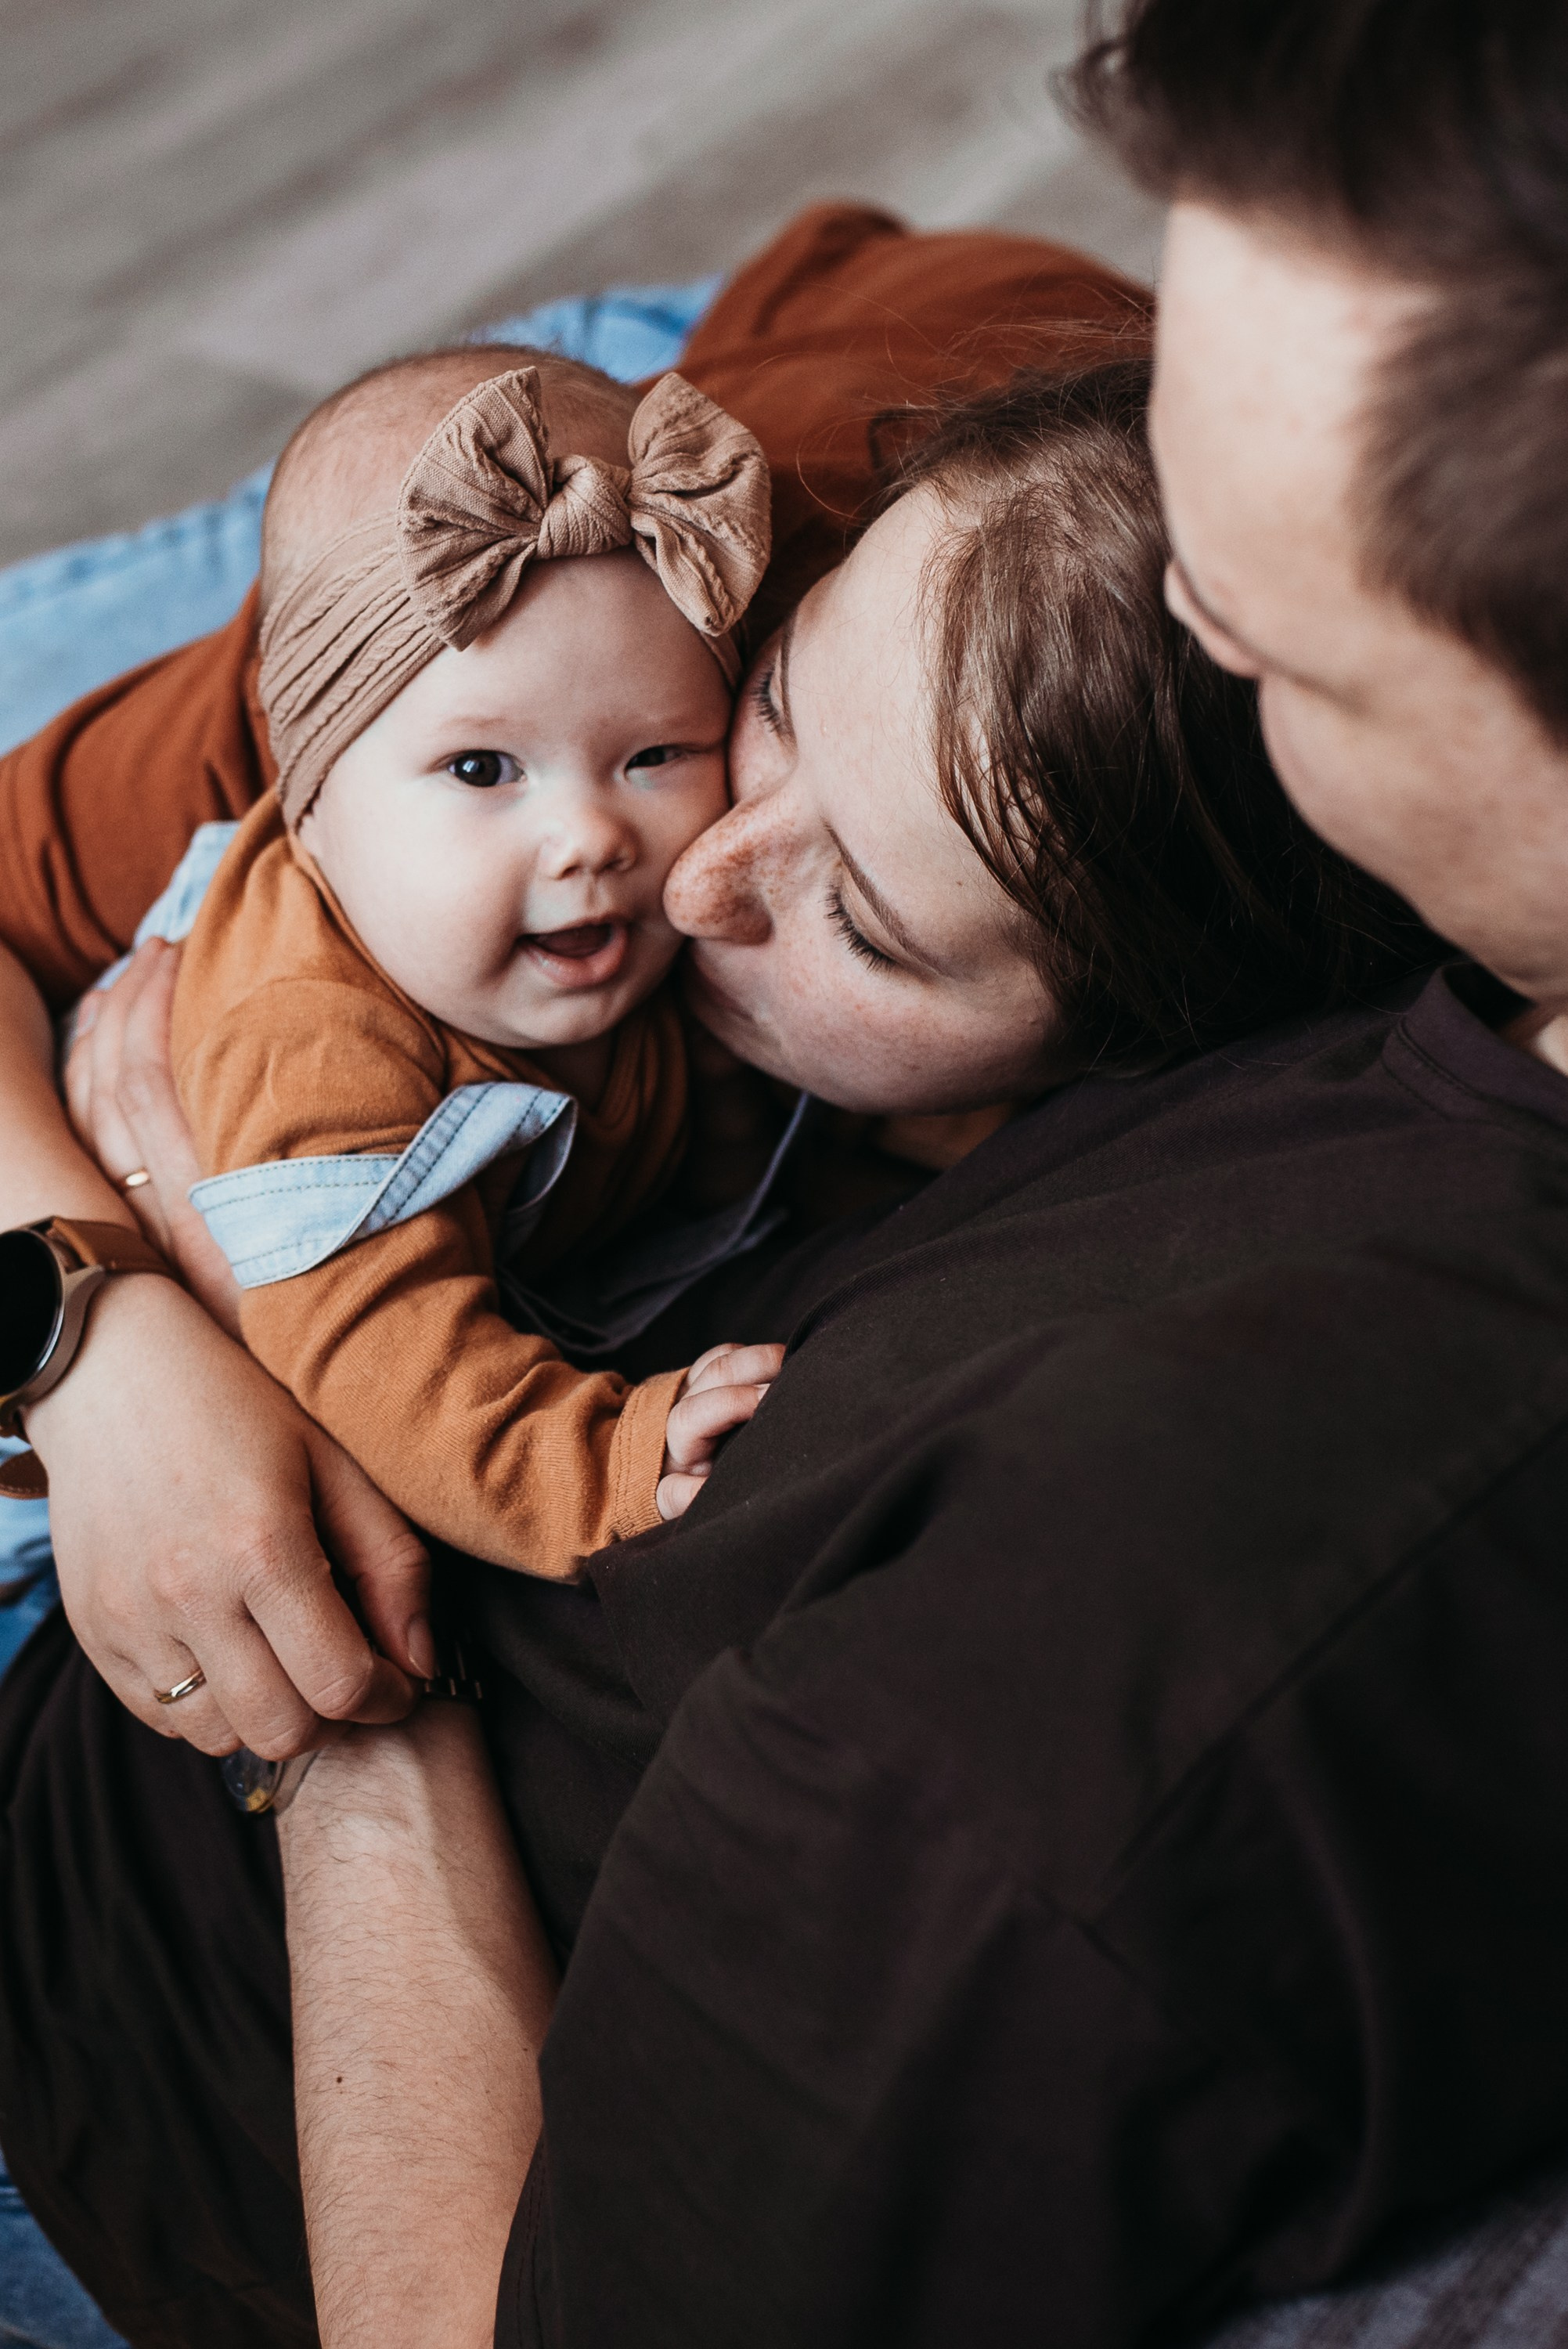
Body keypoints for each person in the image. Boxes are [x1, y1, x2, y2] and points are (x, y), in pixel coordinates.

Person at [3, 181, 1564, 2349]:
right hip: (794, 383)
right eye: (765, 722)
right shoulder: (561, 648)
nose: (679, 878)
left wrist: (331, 1600)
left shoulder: (1149, 1574)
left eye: (870, 930)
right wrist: (102, 1328)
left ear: (1107, 1059)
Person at [135, 350, 783, 1583]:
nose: (590, 836)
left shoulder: (618, 914)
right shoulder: (311, 1036)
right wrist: (604, 1463)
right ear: (312, 798)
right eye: (484, 770)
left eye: (655, 754)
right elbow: (384, 1357)